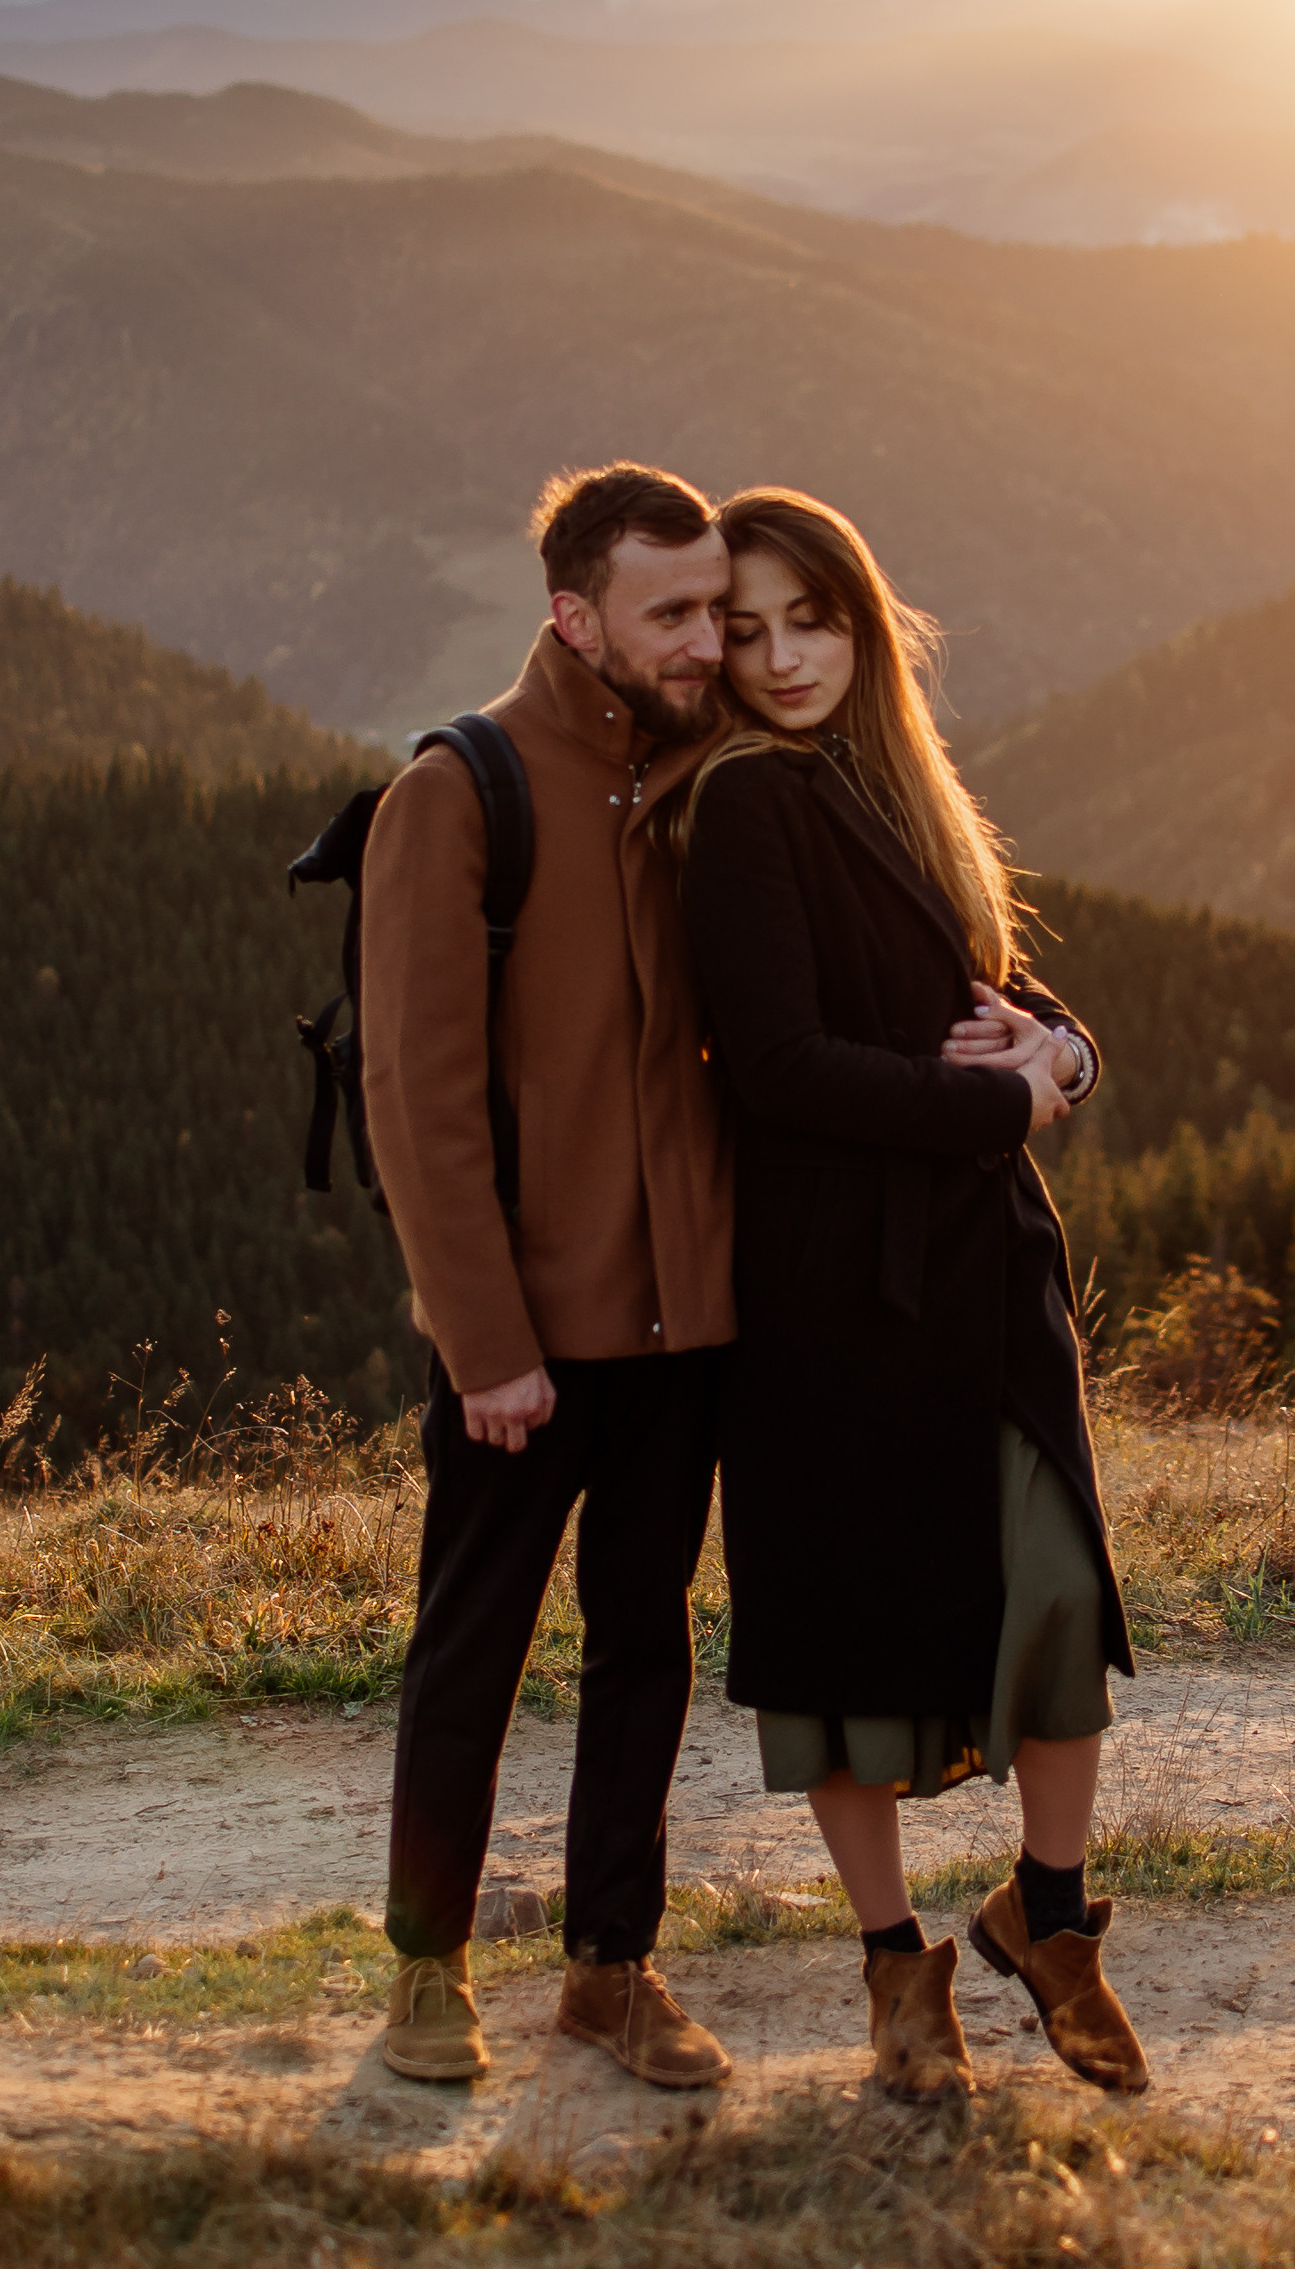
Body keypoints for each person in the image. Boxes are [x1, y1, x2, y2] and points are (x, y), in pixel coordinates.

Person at [676, 487, 1148, 2102]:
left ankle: (1051, 1917)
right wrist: (1000, 1108)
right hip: (830, 1289)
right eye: (744, 631)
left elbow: (989, 988)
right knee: (837, 1645)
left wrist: (1063, 1053)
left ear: (862, 625)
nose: (785, 654)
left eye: (813, 618)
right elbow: (783, 1070)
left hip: (978, 1273)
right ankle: (895, 1970)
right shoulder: (739, 803)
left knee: (1059, 1596)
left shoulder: (878, 779)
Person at [359, 462, 738, 2090]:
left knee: (642, 1647)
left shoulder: (708, 779)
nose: (705, 642)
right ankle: (426, 1971)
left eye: (715, 610)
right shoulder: (459, 790)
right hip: (525, 1351)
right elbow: (415, 1097)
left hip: (687, 1330)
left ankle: (608, 1969)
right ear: (573, 616)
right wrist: (484, 1343)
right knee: (474, 1649)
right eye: (672, 613)